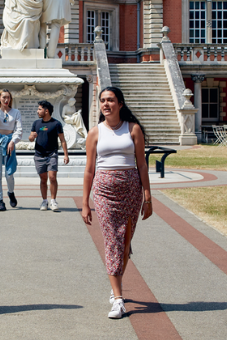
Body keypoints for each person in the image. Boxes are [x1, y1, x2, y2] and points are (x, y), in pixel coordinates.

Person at [81, 86, 152, 320]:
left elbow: (142, 164)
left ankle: (116, 285)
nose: (106, 104)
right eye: (102, 100)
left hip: (131, 190)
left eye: (110, 100)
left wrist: (148, 197)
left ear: (120, 104)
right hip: (104, 192)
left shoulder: (133, 129)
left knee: (124, 242)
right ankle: (118, 299)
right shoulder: (95, 132)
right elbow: (89, 170)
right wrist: (85, 202)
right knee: (112, 240)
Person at [0, 90, 24, 211]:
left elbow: (19, 130)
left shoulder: (15, 112)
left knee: (9, 174)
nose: (6, 100)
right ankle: (0, 201)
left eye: (8, 98)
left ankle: (11, 192)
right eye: (3, 98)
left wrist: (13, 141)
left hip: (10, 142)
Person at [28, 100, 69, 212]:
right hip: (39, 155)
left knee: (52, 177)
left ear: (46, 111)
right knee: (43, 179)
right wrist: (32, 137)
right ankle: (44, 201)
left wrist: (66, 155)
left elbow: (62, 140)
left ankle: (53, 201)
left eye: (39, 109)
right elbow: (30, 138)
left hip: (52, 154)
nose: (37, 111)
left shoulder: (56, 124)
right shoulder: (36, 123)